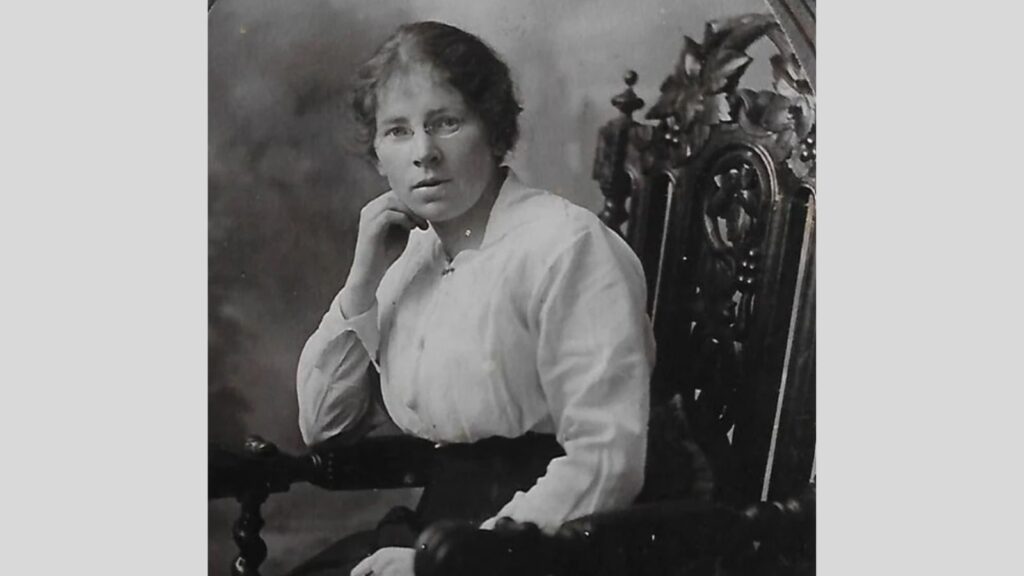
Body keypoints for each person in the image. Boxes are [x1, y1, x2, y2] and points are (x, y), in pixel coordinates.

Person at [294, 21, 654, 576]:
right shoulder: (412, 261)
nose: (424, 153)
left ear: (494, 130)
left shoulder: (567, 248)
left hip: (542, 547)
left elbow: (607, 458)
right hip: (438, 532)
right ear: (377, 154)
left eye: (446, 123)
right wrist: (362, 278)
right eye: (397, 131)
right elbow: (325, 429)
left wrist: (452, 560)